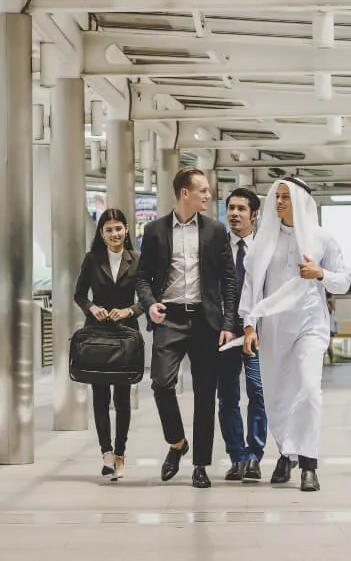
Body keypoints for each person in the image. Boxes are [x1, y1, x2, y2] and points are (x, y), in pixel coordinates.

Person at [241, 177, 350, 492]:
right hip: (273, 329)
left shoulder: (321, 239)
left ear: (301, 200)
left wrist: (321, 273)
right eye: (277, 197)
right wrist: (249, 326)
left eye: (286, 197)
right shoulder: (265, 239)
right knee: (278, 397)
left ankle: (309, 464)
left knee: (309, 389)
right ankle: (285, 453)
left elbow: (343, 282)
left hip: (310, 326)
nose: (279, 202)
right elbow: (252, 287)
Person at [136, 167, 240, 489]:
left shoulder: (215, 230)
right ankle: (178, 443)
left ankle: (200, 465)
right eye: (203, 191)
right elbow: (142, 277)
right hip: (168, 317)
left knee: (205, 394)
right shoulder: (154, 230)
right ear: (185, 194)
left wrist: (228, 323)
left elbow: (229, 280)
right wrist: (150, 303)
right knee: (161, 384)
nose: (208, 196)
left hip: (206, 321)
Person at [73, 208, 142, 481]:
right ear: (101, 233)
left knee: (122, 399)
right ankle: (106, 453)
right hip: (98, 335)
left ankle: (121, 454)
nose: (114, 234)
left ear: (126, 229)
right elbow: (79, 294)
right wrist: (92, 308)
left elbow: (148, 297)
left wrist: (128, 311)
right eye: (109, 230)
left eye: (118, 228)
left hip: (125, 335)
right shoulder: (92, 259)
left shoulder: (137, 259)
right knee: (100, 396)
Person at [218, 187, 267, 482]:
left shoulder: (264, 249)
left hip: (257, 331)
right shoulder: (217, 247)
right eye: (231, 208)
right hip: (224, 332)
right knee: (227, 396)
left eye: (241, 209)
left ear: (254, 214)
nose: (234, 214)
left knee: (258, 392)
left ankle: (254, 456)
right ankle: (236, 456)